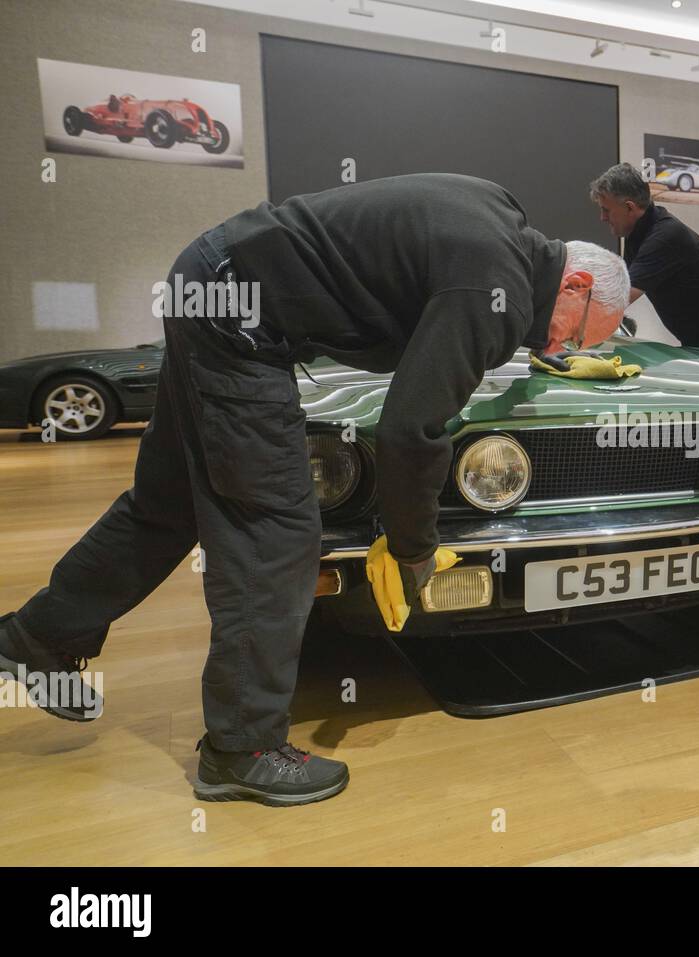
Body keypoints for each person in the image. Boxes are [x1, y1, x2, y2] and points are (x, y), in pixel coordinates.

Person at [0, 173, 630, 807]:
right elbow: (412, 428)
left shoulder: (501, 220)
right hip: (239, 323)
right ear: (573, 284)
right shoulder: (497, 290)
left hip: (210, 285)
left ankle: (37, 638)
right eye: (571, 334)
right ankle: (241, 749)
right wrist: (413, 547)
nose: (557, 347)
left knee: (167, 505)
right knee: (274, 530)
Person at [590, 163, 699, 350]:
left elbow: (619, 298)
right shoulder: (637, 234)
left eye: (606, 210)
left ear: (630, 208)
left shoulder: (665, 236)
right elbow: (617, 287)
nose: (602, 218)